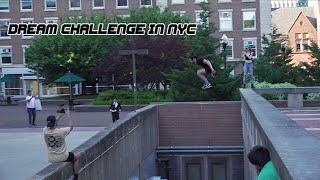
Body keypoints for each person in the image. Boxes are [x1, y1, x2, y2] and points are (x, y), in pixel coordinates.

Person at [43, 109, 79, 180]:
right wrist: (68, 115)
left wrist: (59, 116)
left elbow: (52, 123)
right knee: (76, 157)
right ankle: (76, 177)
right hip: (62, 157)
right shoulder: (60, 132)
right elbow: (71, 126)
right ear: (55, 123)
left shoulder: (45, 131)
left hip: (51, 158)